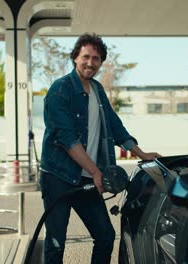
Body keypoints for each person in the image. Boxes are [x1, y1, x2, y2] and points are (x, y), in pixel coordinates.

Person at [39, 33, 161, 264]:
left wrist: (142, 154)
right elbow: (67, 139)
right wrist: (97, 173)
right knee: (56, 242)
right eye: (86, 56)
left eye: (96, 58)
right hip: (59, 177)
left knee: (105, 236)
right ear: (75, 57)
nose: (90, 62)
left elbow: (115, 127)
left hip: (87, 178)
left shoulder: (97, 90)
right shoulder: (60, 90)